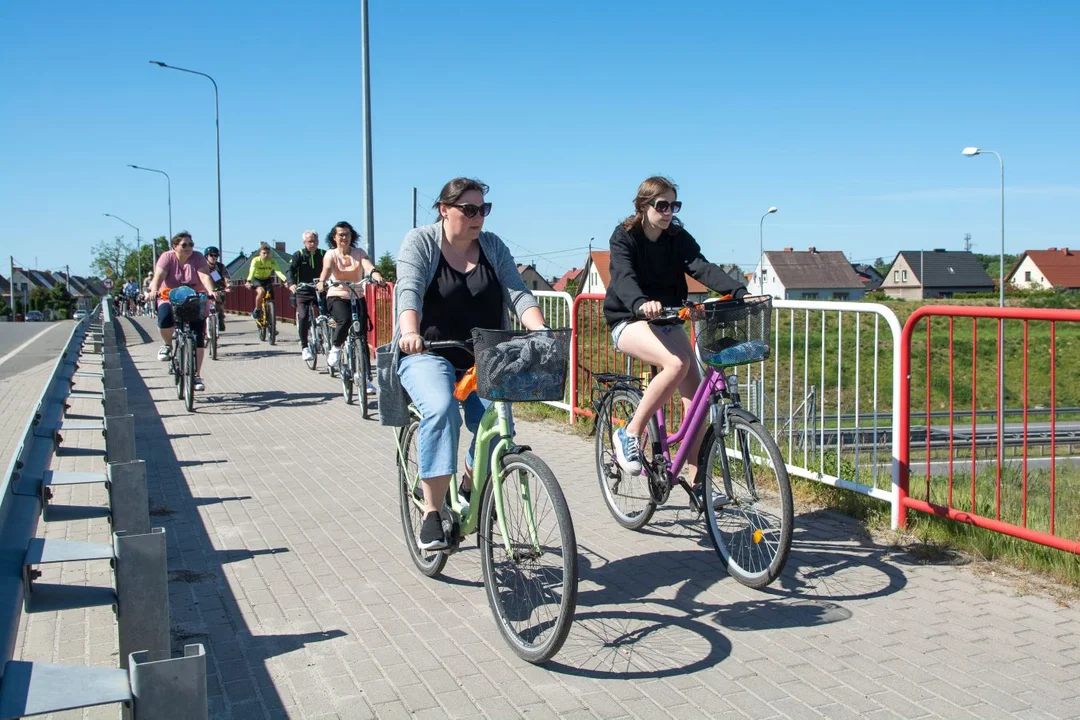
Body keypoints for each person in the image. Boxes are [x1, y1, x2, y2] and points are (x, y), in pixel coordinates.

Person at [394, 178, 550, 551]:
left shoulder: (492, 247)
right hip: (429, 352)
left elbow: (518, 292)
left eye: (484, 209)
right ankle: (433, 513)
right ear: (444, 209)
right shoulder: (420, 242)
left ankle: (468, 482)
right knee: (441, 408)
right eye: (469, 209)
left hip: (486, 354)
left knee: (497, 423)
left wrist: (541, 330)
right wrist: (410, 332)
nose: (479, 216)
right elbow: (408, 290)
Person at [603, 176, 746, 504]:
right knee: (677, 363)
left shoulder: (677, 237)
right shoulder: (625, 237)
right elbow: (623, 277)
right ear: (644, 206)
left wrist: (739, 291)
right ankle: (630, 432)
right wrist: (640, 303)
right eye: (662, 205)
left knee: (696, 397)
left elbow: (700, 267)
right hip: (629, 319)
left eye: (673, 205)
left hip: (668, 319)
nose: (668, 212)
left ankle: (696, 480)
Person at [147, 231, 217, 391]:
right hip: (169, 297)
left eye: (191, 244)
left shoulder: (198, 258)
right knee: (165, 317)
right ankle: (167, 345)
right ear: (175, 246)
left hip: (194, 298)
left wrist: (212, 291)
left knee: (198, 337)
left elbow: (205, 277)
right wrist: (154, 290)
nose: (188, 248)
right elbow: (158, 276)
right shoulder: (167, 257)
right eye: (184, 245)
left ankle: (196, 376)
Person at [316, 221, 382, 370]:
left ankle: (366, 378)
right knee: (345, 320)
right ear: (334, 237)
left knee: (361, 337)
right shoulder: (331, 254)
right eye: (341, 235)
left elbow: (368, 265)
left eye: (347, 234)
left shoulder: (359, 253)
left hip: (357, 296)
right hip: (337, 295)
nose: (344, 237)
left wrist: (375, 274)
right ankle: (336, 347)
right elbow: (326, 269)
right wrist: (322, 281)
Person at [287, 230, 327, 363]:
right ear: (304, 243)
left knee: (327, 314)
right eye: (310, 241)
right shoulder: (298, 255)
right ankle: (304, 347)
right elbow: (290, 270)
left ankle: (328, 339)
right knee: (303, 316)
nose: (313, 244)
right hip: (303, 290)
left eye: (315, 241)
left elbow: (331, 268)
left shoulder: (323, 254)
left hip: (319, 289)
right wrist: (292, 283)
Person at [247, 242, 286, 320]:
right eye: (264, 253)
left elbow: (278, 271)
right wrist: (249, 280)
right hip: (256, 279)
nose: (266, 255)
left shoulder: (272, 261)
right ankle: (257, 310)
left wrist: (285, 280)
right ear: (260, 253)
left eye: (267, 253)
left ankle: (272, 323)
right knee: (261, 292)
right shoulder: (256, 260)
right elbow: (252, 271)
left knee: (271, 297)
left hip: (266, 279)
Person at [204, 246, 230, 332]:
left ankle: (220, 318)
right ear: (206, 256)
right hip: (204, 288)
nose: (214, 257)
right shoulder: (202, 266)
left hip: (217, 288)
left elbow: (226, 277)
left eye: (216, 255)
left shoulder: (220, 266)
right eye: (211, 255)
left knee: (220, 298)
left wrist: (228, 285)